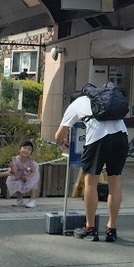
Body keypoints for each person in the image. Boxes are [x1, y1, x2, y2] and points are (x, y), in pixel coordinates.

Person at [55, 90, 128, 242]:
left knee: (91, 182)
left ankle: (90, 229)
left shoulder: (75, 104)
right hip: (122, 136)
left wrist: (61, 142)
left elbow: (58, 136)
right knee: (115, 182)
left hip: (98, 138)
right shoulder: (102, 99)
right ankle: (111, 229)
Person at [6, 140, 40, 208]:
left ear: (31, 153)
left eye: (29, 149)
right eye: (24, 148)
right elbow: (14, 172)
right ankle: (19, 199)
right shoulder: (15, 159)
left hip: (31, 172)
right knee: (18, 183)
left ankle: (32, 200)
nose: (26, 150)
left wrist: (28, 176)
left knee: (32, 183)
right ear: (19, 149)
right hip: (20, 173)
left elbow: (33, 171)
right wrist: (12, 167)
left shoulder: (31, 160)